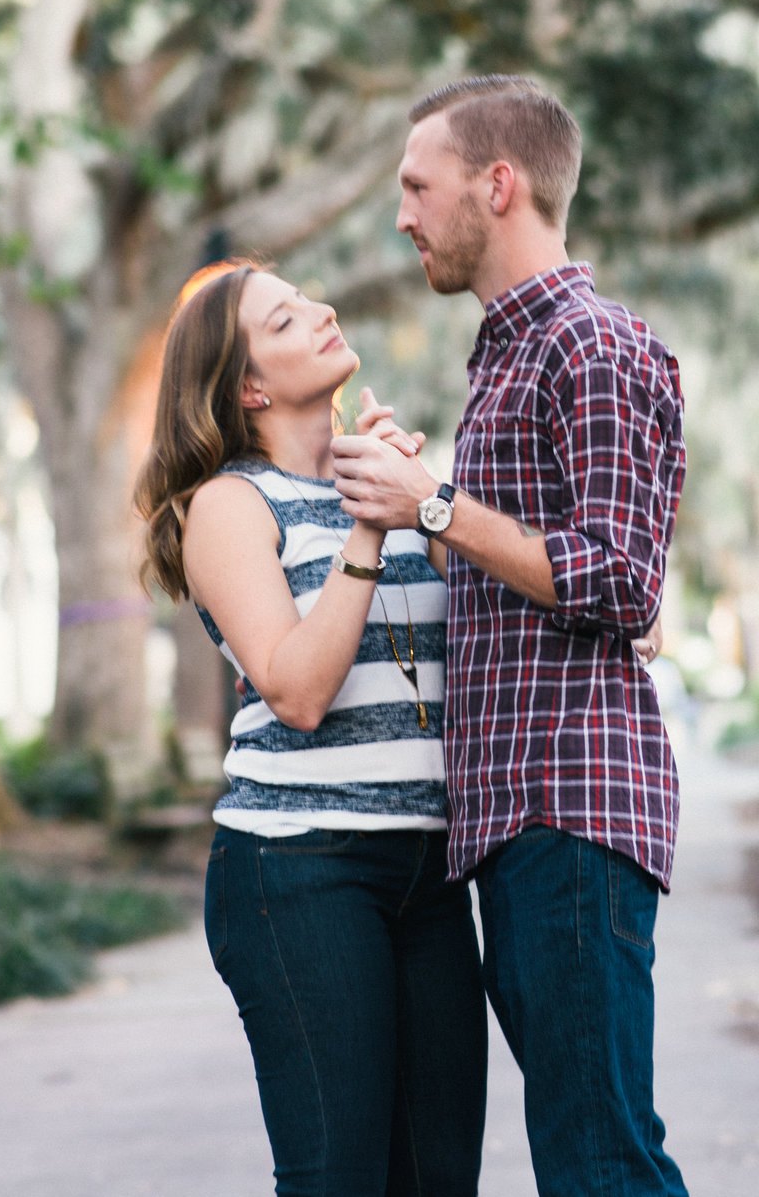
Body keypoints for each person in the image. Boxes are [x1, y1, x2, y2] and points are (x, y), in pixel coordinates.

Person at [332, 76, 689, 1197]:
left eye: (417, 186)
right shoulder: (506, 356)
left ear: (499, 184)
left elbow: (623, 582)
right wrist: (416, 502)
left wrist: (432, 504)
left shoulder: (591, 345)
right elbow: (508, 576)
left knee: (599, 1160)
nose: (403, 215)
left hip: (567, 807)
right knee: (587, 1153)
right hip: (516, 817)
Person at [136, 261, 485, 1197]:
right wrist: (368, 533)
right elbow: (296, 690)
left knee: (441, 1177)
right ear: (249, 385)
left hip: (428, 867)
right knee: (337, 1176)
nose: (323, 311)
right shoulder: (228, 506)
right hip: (299, 869)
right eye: (286, 318)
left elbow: (486, 629)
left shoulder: (393, 482)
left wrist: (419, 505)